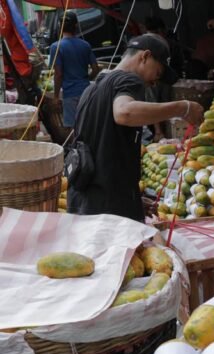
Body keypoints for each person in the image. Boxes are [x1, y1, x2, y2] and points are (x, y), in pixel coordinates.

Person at [67, 35, 204, 221]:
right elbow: (124, 113)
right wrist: (183, 108)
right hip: (108, 208)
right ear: (145, 57)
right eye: (157, 73)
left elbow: (100, 147)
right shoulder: (129, 80)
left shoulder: (91, 89)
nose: (154, 83)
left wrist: (132, 199)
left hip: (82, 201)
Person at [49, 11, 100, 129]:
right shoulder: (85, 45)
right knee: (88, 125)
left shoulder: (56, 47)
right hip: (87, 91)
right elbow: (96, 69)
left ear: (60, 27)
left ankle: (77, 148)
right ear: (76, 26)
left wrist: (56, 96)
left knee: (74, 128)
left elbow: (58, 74)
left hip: (70, 94)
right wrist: (86, 78)